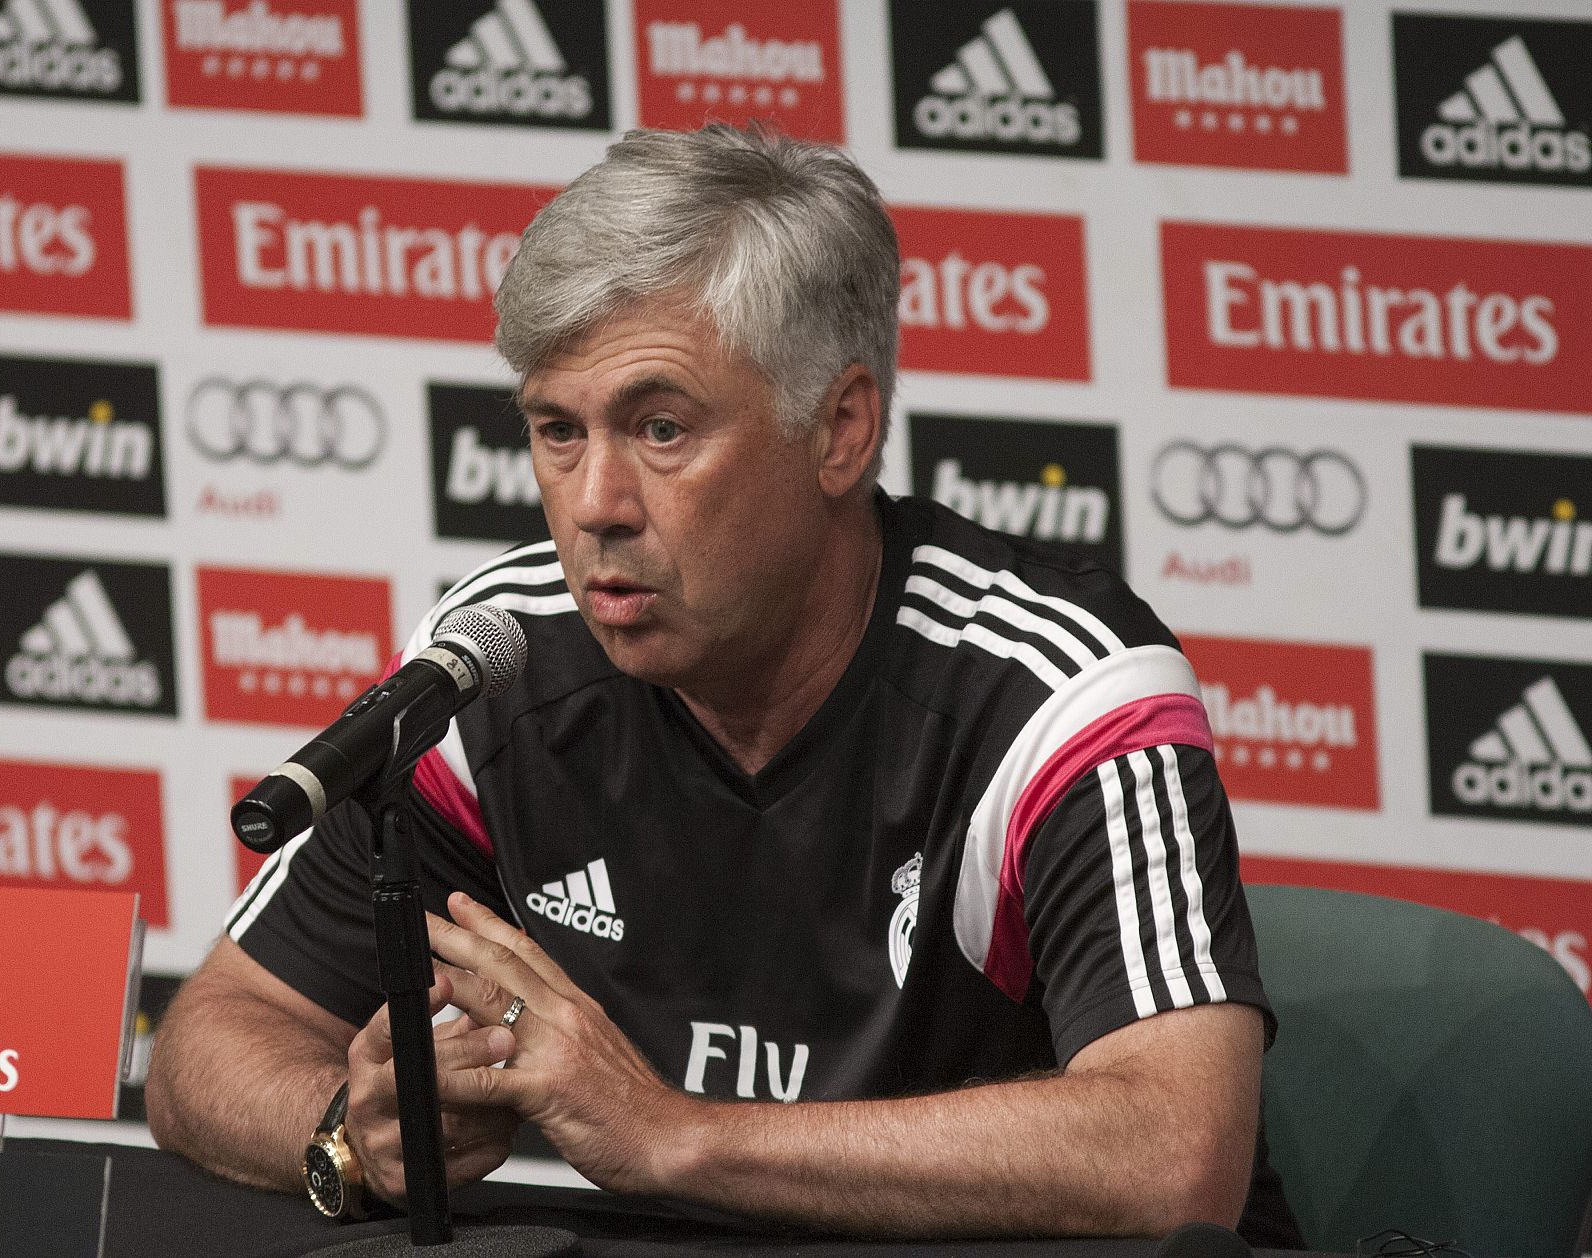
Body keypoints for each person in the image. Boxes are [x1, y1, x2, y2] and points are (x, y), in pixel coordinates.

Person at [146, 124, 1300, 1245]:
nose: (594, 500)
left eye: (660, 427)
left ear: (840, 429)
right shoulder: (501, 664)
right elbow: (212, 1040)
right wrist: (352, 1134)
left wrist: (674, 1136)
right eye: (556, 429)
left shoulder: (1055, 690)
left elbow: (1176, 1147)